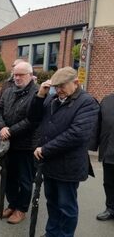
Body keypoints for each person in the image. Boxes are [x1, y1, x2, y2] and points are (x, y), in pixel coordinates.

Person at [30, 67, 99, 237]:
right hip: (49, 163)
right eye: (56, 86)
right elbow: (33, 118)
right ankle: (51, 233)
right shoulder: (52, 98)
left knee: (66, 207)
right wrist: (40, 96)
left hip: (69, 165)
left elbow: (77, 134)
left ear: (76, 83)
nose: (58, 90)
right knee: (52, 203)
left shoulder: (87, 102)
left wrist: (45, 149)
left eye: (62, 86)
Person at [0, 61, 39, 224]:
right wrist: (2, 126)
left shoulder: (37, 93)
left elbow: (32, 119)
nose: (17, 78)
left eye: (21, 75)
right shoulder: (9, 91)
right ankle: (12, 204)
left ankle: (21, 209)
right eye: (15, 75)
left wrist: (11, 130)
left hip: (25, 145)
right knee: (9, 177)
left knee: (25, 180)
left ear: (30, 75)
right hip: (7, 144)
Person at [90, 93, 114, 221]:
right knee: (109, 183)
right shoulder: (107, 100)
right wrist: (93, 145)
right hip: (109, 150)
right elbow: (98, 124)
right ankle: (110, 208)